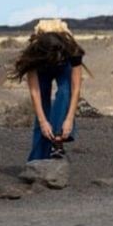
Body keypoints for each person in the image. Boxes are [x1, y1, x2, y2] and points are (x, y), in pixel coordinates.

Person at [15, 19, 86, 162]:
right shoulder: (34, 54)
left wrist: (69, 120)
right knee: (43, 107)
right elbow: (35, 92)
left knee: (65, 92)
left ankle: (57, 141)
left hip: (64, 62)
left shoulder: (73, 51)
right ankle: (37, 160)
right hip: (42, 65)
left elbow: (75, 88)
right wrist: (43, 122)